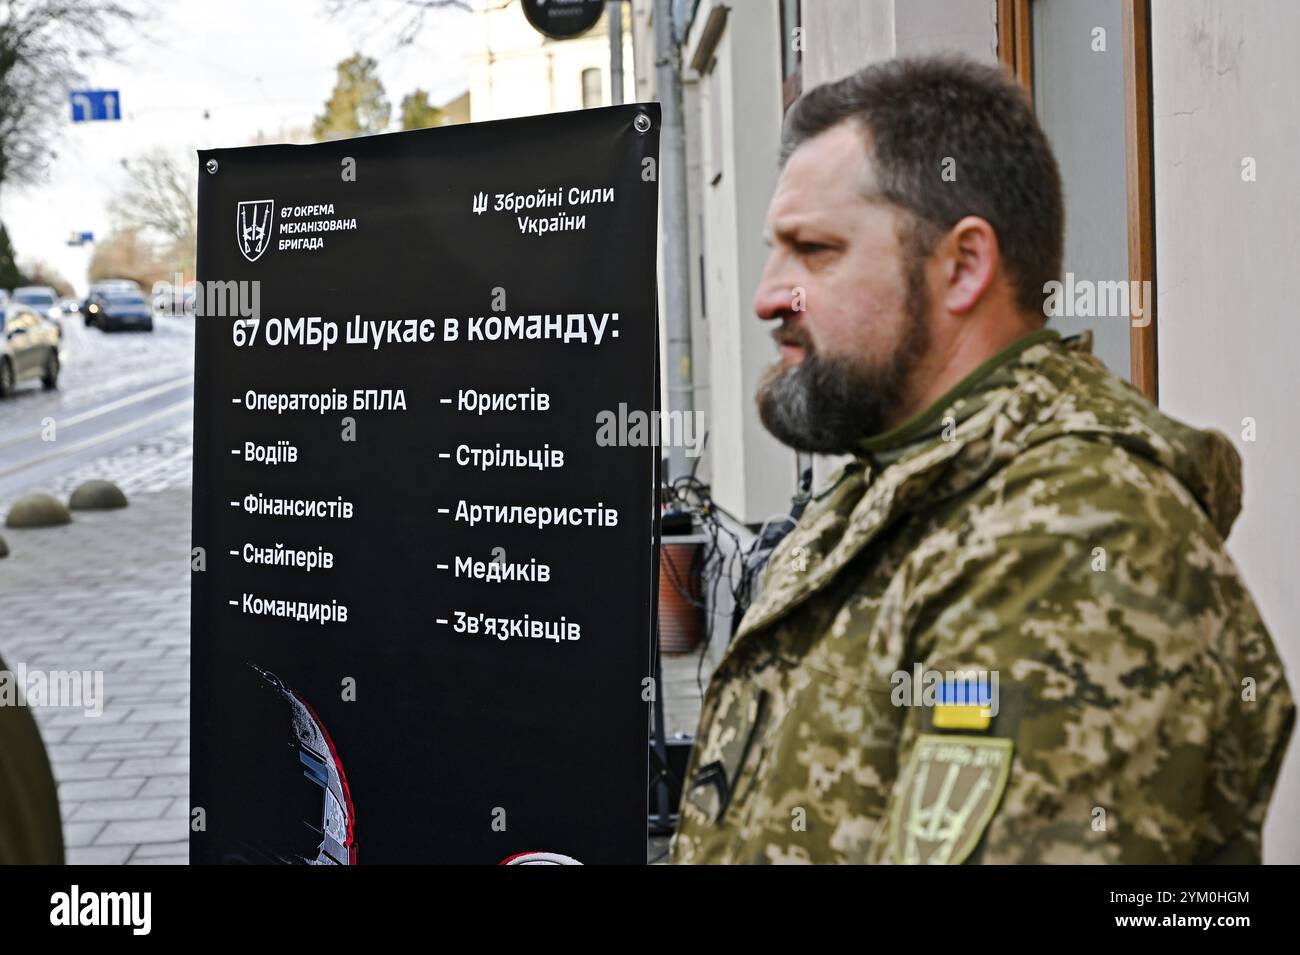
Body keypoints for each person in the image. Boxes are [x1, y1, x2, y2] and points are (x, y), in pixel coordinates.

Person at [671, 54, 1294, 864]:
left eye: (813, 250)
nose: (768, 296)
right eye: (773, 250)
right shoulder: (896, 482)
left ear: (963, 266)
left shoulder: (1073, 537)